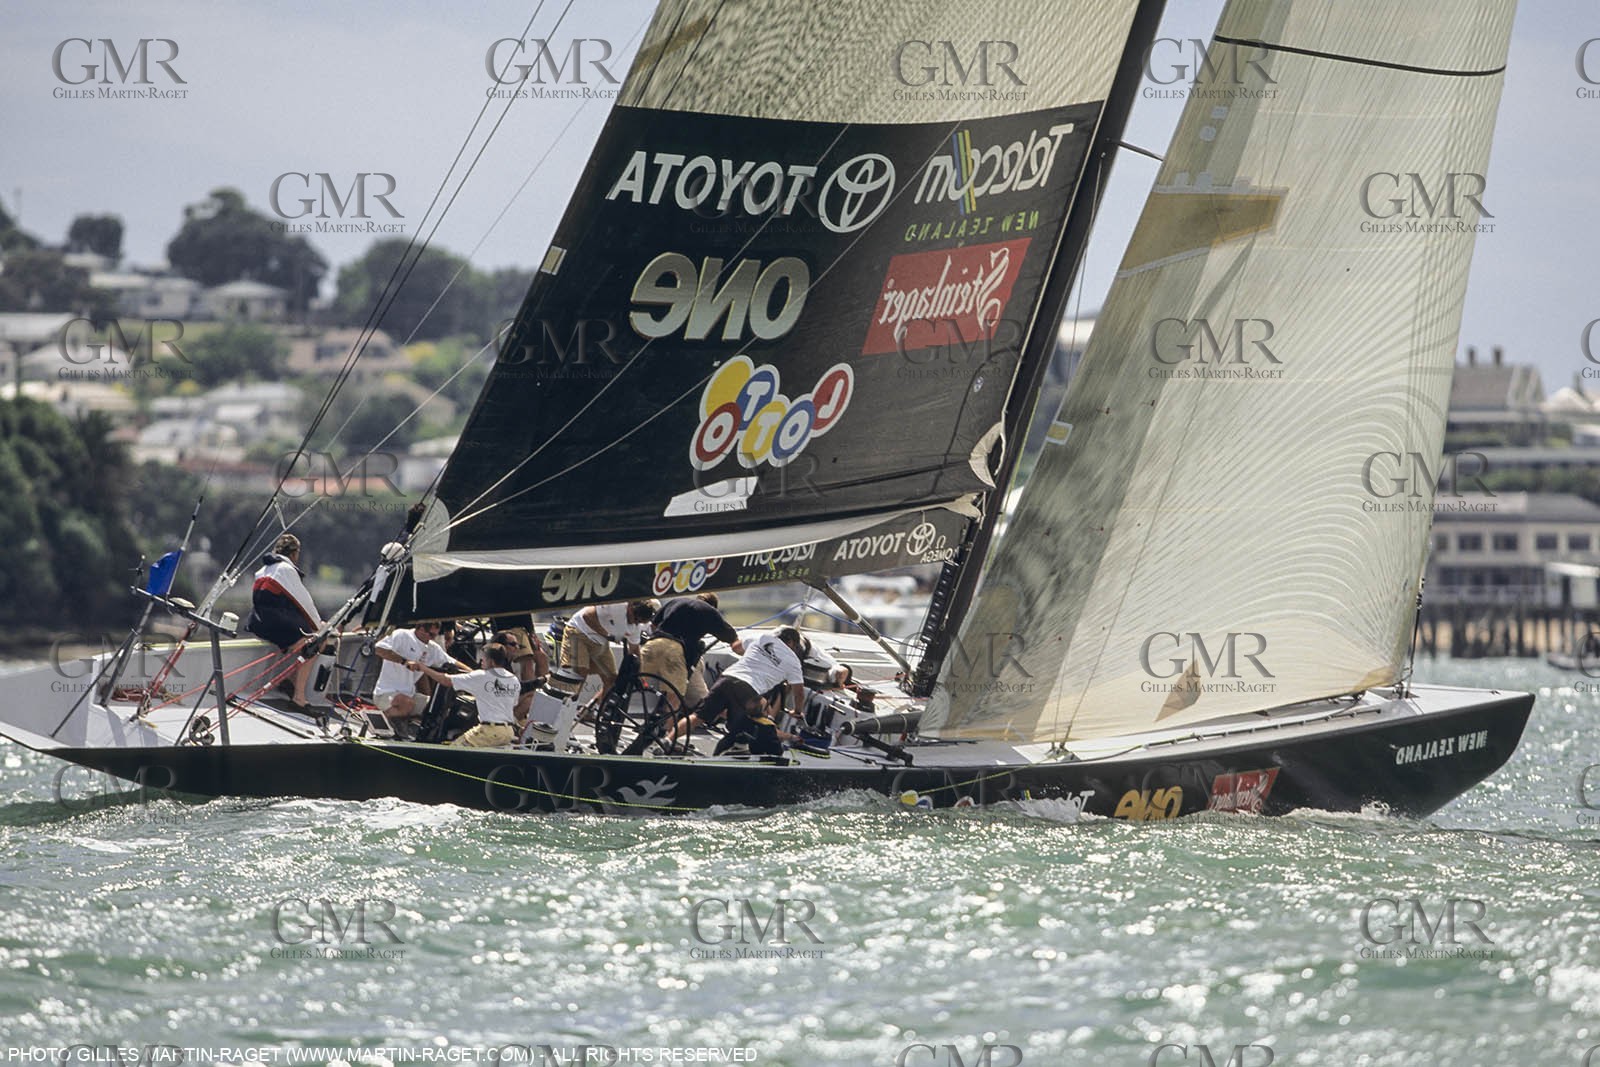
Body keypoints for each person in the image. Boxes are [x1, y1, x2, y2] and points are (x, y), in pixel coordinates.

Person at [670, 626, 807, 755]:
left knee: (698, 717)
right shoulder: (793, 661)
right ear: (791, 642)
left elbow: (736, 647)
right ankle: (726, 754)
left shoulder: (763, 638)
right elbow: (799, 693)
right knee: (747, 725)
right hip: (748, 689)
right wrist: (798, 711)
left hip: (727, 678)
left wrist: (757, 655)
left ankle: (667, 740)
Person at [244, 533, 322, 708]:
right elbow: (304, 601)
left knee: (301, 639)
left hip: (258, 622)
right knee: (315, 643)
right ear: (295, 554)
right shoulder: (286, 570)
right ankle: (299, 697)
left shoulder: (263, 570)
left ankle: (289, 682)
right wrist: (319, 627)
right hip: (274, 624)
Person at [639, 592, 744, 713]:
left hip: (653, 644)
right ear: (713, 606)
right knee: (676, 698)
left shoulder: (676, 601)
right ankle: (665, 729)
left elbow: (653, 625)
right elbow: (733, 640)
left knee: (633, 681)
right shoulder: (710, 612)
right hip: (675, 653)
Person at [416, 642, 522, 748]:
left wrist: (423, 668)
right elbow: (513, 703)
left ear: (492, 662)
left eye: (484, 659)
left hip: (489, 731)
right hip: (508, 732)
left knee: (453, 750)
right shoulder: (513, 679)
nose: (481, 661)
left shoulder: (482, 676)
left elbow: (446, 681)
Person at [559, 598, 658, 706]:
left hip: (599, 641)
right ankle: (564, 709)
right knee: (579, 674)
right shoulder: (617, 605)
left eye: (638, 622)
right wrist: (606, 634)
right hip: (579, 631)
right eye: (635, 618)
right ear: (630, 607)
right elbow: (587, 615)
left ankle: (592, 711)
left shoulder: (635, 626)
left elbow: (634, 649)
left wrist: (640, 675)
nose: (634, 622)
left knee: (611, 680)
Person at [372, 620, 453, 729]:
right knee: (407, 703)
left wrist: (475, 673)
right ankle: (381, 723)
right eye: (431, 634)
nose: (433, 638)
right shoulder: (401, 635)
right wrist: (404, 661)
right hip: (385, 693)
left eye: (435, 635)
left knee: (438, 707)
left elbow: (452, 662)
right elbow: (379, 649)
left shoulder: (433, 648)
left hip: (410, 694)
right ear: (421, 629)